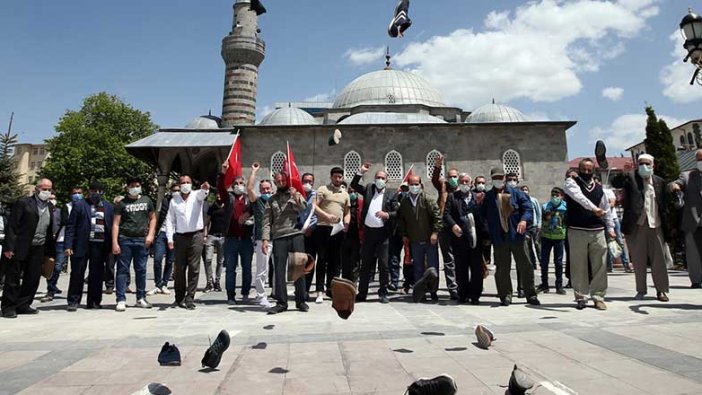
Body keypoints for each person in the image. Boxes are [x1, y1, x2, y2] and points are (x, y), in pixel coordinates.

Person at [611, 154, 670, 301]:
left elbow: (664, 205)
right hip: (636, 225)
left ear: (653, 166)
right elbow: (616, 183)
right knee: (638, 260)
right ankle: (641, 289)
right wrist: (624, 172)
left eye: (647, 164)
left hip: (656, 224)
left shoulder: (659, 182)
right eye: (641, 163)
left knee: (659, 260)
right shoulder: (631, 178)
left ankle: (661, 290)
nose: (644, 166)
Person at [480, 168, 540, 307]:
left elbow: (527, 209)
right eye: (495, 177)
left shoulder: (516, 193)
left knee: (526, 265)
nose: (498, 180)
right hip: (499, 238)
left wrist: (524, 220)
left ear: (505, 177)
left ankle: (530, 294)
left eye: (500, 177)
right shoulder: (488, 197)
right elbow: (482, 215)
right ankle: (505, 296)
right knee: (502, 268)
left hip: (517, 236)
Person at [564, 158, 615, 310]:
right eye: (583, 169)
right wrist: (593, 208)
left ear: (593, 171)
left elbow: (606, 210)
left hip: (597, 230)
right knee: (578, 265)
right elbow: (579, 198)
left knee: (600, 264)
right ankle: (581, 296)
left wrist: (611, 228)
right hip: (576, 229)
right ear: (578, 170)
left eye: (589, 170)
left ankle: (598, 296)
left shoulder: (600, 189)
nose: (586, 172)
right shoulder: (571, 183)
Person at [1, 178, 56, 318]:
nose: (47, 192)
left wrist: (50, 251)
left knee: (32, 278)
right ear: (37, 189)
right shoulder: (23, 203)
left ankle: (23, 304)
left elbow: (49, 231)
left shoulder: (50, 206)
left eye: (49, 189)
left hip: (39, 247)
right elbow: (12, 226)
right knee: (13, 278)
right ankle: (8, 307)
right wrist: (9, 247)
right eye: (44, 189)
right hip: (20, 246)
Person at [261, 172, 308, 314]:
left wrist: (296, 196)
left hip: (295, 235)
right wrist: (265, 239)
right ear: (275, 183)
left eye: (283, 180)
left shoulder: (295, 193)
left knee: (298, 269)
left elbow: (304, 208)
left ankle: (301, 301)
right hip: (279, 237)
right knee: (279, 271)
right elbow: (266, 221)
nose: (281, 182)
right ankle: (281, 302)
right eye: (278, 181)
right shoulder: (271, 200)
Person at [351, 163, 397, 303]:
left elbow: (396, 212)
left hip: (383, 234)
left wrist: (386, 214)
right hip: (369, 233)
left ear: (386, 180)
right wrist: (361, 172)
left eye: (382, 178)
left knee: (383, 264)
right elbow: (354, 184)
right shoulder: (369, 189)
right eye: (378, 177)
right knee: (365, 264)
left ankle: (383, 292)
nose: (380, 180)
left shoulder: (391, 193)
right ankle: (362, 293)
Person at [64, 181, 113, 311]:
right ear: (89, 192)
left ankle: (94, 302)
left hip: (100, 245)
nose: (95, 194)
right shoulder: (80, 205)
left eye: (98, 192)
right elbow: (71, 226)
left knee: (96, 274)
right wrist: (68, 245)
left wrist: (112, 246)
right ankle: (73, 300)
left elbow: (111, 227)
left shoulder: (108, 207)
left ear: (102, 193)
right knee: (77, 273)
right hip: (81, 244)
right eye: (93, 191)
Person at [112, 176, 157, 312]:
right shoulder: (121, 203)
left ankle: (140, 298)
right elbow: (116, 224)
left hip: (141, 240)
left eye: (137, 185)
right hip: (125, 239)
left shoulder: (146, 200)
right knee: (122, 270)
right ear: (127, 188)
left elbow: (153, 218)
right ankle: (121, 299)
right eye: (132, 186)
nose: (135, 188)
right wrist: (114, 242)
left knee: (141, 270)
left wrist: (150, 235)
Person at [167, 175, 209, 310]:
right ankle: (178, 297)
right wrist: (169, 238)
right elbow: (170, 220)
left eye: (188, 182)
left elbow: (203, 194)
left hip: (196, 235)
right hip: (180, 237)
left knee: (194, 267)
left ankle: (190, 297)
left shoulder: (196, 195)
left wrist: (204, 189)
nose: (185, 184)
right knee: (179, 268)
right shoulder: (174, 200)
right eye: (183, 182)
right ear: (179, 185)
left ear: (191, 184)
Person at [397, 175, 442, 302]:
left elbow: (437, 216)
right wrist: (404, 234)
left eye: (416, 184)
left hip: (429, 240)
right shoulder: (405, 201)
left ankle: (433, 291)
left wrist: (435, 232)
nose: (414, 186)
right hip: (415, 240)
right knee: (418, 267)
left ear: (421, 185)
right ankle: (420, 292)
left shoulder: (427, 199)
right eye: (412, 184)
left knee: (432, 268)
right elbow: (401, 219)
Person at [444, 173, 487, 304]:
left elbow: (483, 217)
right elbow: (446, 214)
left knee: (476, 269)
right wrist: (453, 225)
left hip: (475, 239)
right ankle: (462, 294)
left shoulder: (478, 197)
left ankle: (475, 295)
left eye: (466, 181)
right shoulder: (452, 197)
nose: (464, 184)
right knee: (460, 268)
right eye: (462, 181)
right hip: (459, 239)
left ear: (471, 183)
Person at [313, 167, 350, 303]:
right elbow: (314, 207)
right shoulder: (323, 190)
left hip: (338, 229)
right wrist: (326, 216)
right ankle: (319, 291)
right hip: (323, 228)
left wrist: (346, 223)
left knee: (335, 261)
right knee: (322, 259)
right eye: (335, 176)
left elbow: (347, 211)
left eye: (340, 177)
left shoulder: (345, 194)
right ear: (331, 177)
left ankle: (332, 289)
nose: (338, 179)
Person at [671, 149, 702, 288]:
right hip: (693, 221)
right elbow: (676, 183)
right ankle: (696, 280)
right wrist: (675, 186)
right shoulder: (687, 175)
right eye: (700, 160)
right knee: (693, 254)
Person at [431, 154, 460, 300]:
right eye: (451, 176)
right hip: (445, 228)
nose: (453, 178)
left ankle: (462, 285)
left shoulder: (462, 190)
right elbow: (435, 179)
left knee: (461, 258)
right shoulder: (443, 187)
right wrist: (437, 166)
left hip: (459, 229)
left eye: (455, 176)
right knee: (449, 259)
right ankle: (453, 288)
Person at [246, 161, 274, 308]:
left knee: (278, 268)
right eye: (263, 189)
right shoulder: (257, 202)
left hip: (277, 238)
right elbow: (249, 188)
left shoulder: (275, 201)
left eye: (268, 189)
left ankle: (276, 293)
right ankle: (261, 295)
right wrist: (254, 171)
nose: (266, 192)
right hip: (261, 239)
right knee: (262, 269)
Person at [148, 184, 178, 296]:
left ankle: (164, 283)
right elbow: (158, 215)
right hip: (162, 232)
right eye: (174, 190)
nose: (176, 192)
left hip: (175, 233)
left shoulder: (184, 202)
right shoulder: (165, 201)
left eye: (178, 190)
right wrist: (154, 232)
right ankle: (158, 284)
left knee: (170, 260)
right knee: (158, 258)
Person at [41, 193, 71, 302]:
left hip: (69, 240)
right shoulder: (45, 211)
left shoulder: (60, 211)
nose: (52, 200)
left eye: (54, 198)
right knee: (56, 266)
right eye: (50, 198)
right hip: (58, 241)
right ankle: (51, 289)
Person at [538, 187, 567, 295]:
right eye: (553, 195)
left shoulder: (565, 207)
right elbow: (543, 219)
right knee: (544, 261)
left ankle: (559, 285)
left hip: (559, 237)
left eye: (557, 195)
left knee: (558, 262)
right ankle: (544, 284)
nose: (555, 197)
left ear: (562, 196)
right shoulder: (546, 206)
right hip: (546, 237)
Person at [603, 187, 632, 273]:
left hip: (613, 219)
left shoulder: (608, 191)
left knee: (620, 241)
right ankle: (609, 266)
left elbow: (612, 204)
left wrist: (602, 207)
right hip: (602, 220)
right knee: (606, 244)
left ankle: (626, 264)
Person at [299, 172, 318, 298]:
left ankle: (306, 289)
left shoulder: (317, 196)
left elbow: (318, 213)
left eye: (310, 181)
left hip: (312, 232)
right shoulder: (296, 195)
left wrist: (312, 227)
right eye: (305, 181)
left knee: (309, 261)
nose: (307, 183)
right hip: (297, 232)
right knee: (297, 262)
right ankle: (299, 289)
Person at [341, 182, 363, 283]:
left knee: (355, 260)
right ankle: (345, 281)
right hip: (344, 236)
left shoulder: (361, 203)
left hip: (357, 237)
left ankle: (353, 282)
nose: (352, 193)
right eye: (350, 191)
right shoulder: (344, 203)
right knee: (344, 260)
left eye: (354, 192)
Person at [204, 193, 226, 294]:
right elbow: (207, 222)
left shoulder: (227, 206)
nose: (219, 197)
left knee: (220, 261)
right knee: (208, 259)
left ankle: (217, 281)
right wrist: (205, 235)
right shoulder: (212, 207)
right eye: (217, 195)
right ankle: (209, 282)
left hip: (223, 236)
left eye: (220, 195)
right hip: (212, 235)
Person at [520, 185, 542, 271]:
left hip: (534, 226)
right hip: (526, 227)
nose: (524, 191)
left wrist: (539, 224)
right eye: (523, 190)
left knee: (537, 245)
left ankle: (542, 262)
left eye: (526, 189)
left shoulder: (533, 200)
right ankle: (533, 264)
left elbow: (538, 212)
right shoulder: (520, 201)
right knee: (528, 247)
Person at [473, 175, 492, 268]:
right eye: (479, 182)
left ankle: (487, 263)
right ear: (474, 183)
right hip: (474, 227)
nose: (481, 185)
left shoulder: (489, 195)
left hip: (486, 227)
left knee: (487, 247)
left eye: (483, 183)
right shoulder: (470, 195)